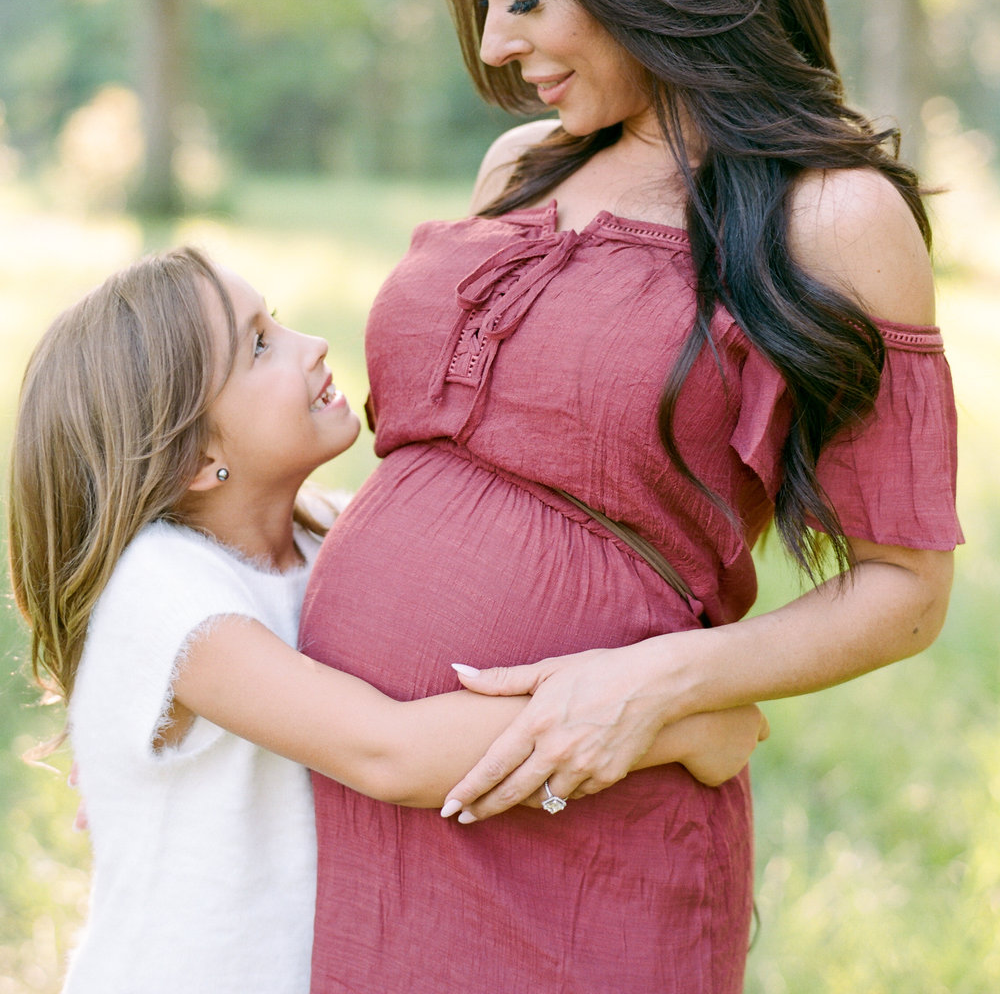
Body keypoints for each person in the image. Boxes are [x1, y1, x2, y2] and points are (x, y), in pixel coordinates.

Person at [298, 0, 961, 993]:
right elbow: (466, 469)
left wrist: (659, 682)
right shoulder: (519, 171)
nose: (496, 46)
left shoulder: (830, 218)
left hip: (583, 830)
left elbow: (904, 590)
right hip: (367, 817)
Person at [7, 247, 766, 994]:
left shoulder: (317, 534)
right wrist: (671, 719)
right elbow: (389, 752)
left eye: (280, 320)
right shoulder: (163, 589)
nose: (314, 347)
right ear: (194, 459)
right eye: (261, 347)